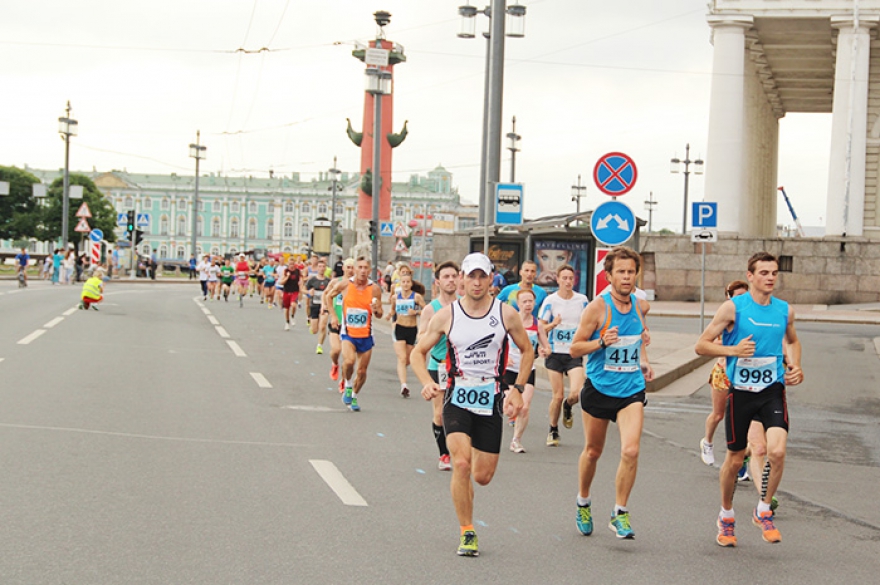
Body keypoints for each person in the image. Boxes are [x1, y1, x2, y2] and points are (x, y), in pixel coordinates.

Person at [411, 253, 533, 557]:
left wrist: (518, 389)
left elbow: (527, 350)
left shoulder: (506, 314)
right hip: (456, 396)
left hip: (490, 398)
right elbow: (417, 352)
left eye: (482, 276)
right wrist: (426, 381)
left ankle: (466, 490)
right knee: (461, 463)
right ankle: (467, 530)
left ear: (491, 279)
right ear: (462, 280)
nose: (476, 282)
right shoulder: (446, 315)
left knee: (481, 476)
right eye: (471, 276)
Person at [695, 251, 803, 547]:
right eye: (764, 273)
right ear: (750, 276)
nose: (770, 278)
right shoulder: (733, 308)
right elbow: (701, 345)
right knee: (734, 459)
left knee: (776, 452)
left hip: (772, 391)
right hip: (741, 393)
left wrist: (795, 365)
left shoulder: (784, 311)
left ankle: (763, 510)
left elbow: (793, 341)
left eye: (774, 273)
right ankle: (726, 516)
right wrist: (733, 351)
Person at [569, 246, 653, 540]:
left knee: (631, 450)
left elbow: (639, 335)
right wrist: (601, 342)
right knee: (593, 451)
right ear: (609, 276)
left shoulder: (641, 306)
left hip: (631, 389)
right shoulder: (597, 308)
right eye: (621, 272)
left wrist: (644, 359)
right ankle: (583, 501)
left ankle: (620, 512)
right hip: (600, 388)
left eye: (631, 272)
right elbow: (575, 348)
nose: (627, 277)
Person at [700, 280, 750, 466]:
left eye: (745, 295)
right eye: (738, 296)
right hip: (723, 371)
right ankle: (707, 443)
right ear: (729, 297)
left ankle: (742, 461)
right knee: (719, 414)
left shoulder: (751, 315)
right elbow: (708, 343)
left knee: (746, 419)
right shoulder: (725, 314)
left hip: (744, 373)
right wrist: (734, 347)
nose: (742, 300)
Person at [325, 256, 384, 412]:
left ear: (370, 270)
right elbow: (328, 296)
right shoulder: (345, 284)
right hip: (348, 334)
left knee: (362, 371)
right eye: (360, 267)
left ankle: (354, 396)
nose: (363, 271)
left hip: (366, 335)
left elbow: (380, 314)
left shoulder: (375, 289)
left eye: (366, 268)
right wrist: (333, 316)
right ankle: (348, 384)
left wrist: (377, 310)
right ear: (355, 269)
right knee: (349, 362)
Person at [539, 264, 589, 447]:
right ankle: (553, 429)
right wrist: (553, 325)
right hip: (554, 353)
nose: (568, 282)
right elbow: (541, 327)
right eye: (564, 278)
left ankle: (568, 406)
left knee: (576, 392)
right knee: (557, 395)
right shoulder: (551, 301)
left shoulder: (582, 300)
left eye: (570, 278)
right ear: (558, 279)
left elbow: (589, 323)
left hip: (573, 352)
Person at [417, 260, 460, 471]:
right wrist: (436, 331)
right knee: (440, 412)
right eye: (446, 277)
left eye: (454, 276)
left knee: (461, 410)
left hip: (462, 367)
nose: (451, 280)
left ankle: (460, 449)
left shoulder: (465, 306)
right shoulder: (430, 309)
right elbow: (421, 337)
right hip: (439, 365)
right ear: (438, 282)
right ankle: (444, 454)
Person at [504, 288, 550, 453]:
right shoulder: (510, 321)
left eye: (530, 301)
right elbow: (498, 343)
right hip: (510, 368)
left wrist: (544, 351)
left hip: (528, 368)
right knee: (510, 409)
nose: (528, 304)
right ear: (518, 304)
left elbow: (547, 347)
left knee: (524, 407)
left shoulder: (538, 325)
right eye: (524, 301)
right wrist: (504, 357)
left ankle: (516, 440)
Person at [387, 270, 426, 398]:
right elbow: (393, 310)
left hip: (412, 329)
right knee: (402, 358)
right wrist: (390, 317)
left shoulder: (416, 297)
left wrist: (416, 312)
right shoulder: (395, 297)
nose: (405, 284)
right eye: (403, 282)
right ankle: (404, 385)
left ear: (411, 283)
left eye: (407, 282)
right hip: (399, 328)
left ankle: (402, 369)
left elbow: (426, 310)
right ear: (400, 283)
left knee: (408, 360)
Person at [323, 258, 355, 390]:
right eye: (348, 267)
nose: (350, 270)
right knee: (336, 350)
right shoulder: (336, 282)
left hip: (350, 325)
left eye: (353, 267)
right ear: (343, 268)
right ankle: (335, 363)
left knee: (348, 358)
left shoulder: (358, 284)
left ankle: (343, 380)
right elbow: (326, 294)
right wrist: (328, 311)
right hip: (336, 321)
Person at [306, 258, 332, 354]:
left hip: (324, 306)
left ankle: (319, 346)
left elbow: (333, 292)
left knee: (323, 326)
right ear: (317, 268)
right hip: (314, 305)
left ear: (325, 268)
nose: (321, 268)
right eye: (320, 266)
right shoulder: (312, 280)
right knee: (314, 330)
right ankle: (312, 326)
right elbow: (303, 289)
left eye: (323, 266)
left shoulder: (328, 281)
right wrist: (309, 292)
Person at [279, 258, 302, 330]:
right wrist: (287, 277)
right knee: (287, 308)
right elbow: (281, 282)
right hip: (286, 291)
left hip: (295, 291)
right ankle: (287, 322)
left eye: (293, 264)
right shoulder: (286, 271)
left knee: (293, 305)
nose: (291, 266)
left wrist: (301, 283)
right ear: (288, 264)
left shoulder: (297, 271)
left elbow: (301, 279)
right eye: (290, 264)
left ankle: (292, 316)